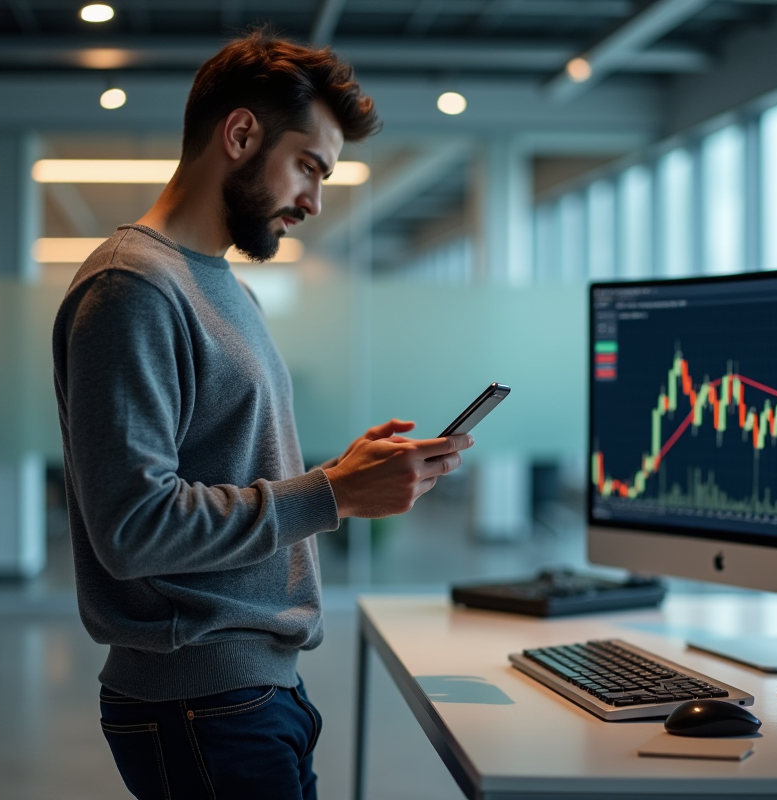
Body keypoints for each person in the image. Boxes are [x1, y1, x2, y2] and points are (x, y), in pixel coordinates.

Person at [51, 29, 473, 799]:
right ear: (241, 134)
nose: (313, 200)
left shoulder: (224, 289)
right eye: (309, 166)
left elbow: (223, 464)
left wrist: (342, 473)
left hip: (250, 690)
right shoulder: (132, 289)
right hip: (200, 696)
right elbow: (133, 526)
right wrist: (333, 493)